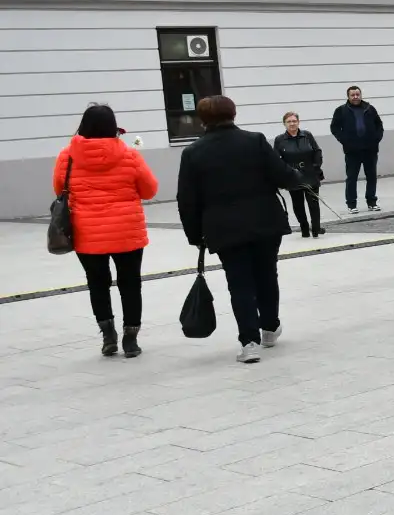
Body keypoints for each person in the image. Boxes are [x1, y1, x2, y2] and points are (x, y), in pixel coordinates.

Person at [177, 96, 309, 363]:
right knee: (266, 275)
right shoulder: (255, 141)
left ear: (203, 120)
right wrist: (298, 177)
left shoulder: (193, 153)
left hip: (223, 228)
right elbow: (282, 175)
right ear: (233, 114)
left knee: (239, 283)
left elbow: (187, 199)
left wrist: (194, 235)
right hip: (265, 221)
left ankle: (249, 341)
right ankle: (270, 327)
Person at [53, 104, 158, 357]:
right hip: (126, 232)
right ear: (113, 127)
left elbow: (60, 191)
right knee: (130, 283)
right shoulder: (130, 155)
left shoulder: (66, 157)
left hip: (87, 233)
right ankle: (130, 340)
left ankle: (108, 336)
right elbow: (149, 190)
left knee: (97, 284)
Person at [330, 85, 384, 213]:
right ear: (348, 96)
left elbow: (379, 125)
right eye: (352, 95)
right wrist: (345, 141)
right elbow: (335, 128)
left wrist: (376, 138)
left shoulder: (370, 109)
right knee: (351, 177)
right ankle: (351, 204)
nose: (355, 97)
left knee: (371, 176)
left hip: (370, 150)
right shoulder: (341, 111)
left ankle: (372, 202)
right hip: (352, 151)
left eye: (357, 94)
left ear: (361, 95)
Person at [274, 112, 325, 238]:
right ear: (284, 124)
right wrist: (285, 172)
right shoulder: (280, 139)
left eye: (294, 121)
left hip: (310, 173)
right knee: (298, 205)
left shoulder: (307, 135)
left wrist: (315, 166)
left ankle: (316, 229)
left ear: (298, 122)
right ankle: (304, 228)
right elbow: (276, 159)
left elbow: (317, 151)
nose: (292, 124)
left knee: (313, 203)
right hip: (293, 176)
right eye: (289, 121)